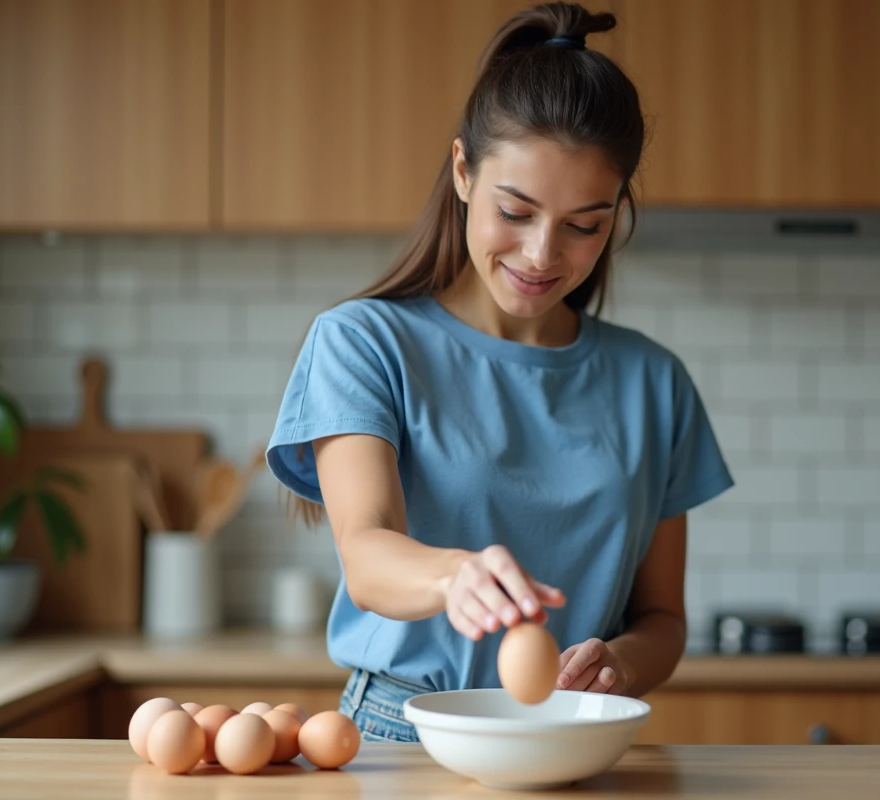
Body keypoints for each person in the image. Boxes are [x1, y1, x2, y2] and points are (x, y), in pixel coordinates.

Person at [266, 1, 733, 743]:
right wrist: (453, 576)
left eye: (586, 225)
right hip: (401, 736)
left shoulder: (655, 383)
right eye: (515, 211)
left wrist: (621, 663)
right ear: (462, 172)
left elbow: (663, 621)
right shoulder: (363, 343)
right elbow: (367, 552)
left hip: (579, 736)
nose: (544, 255)